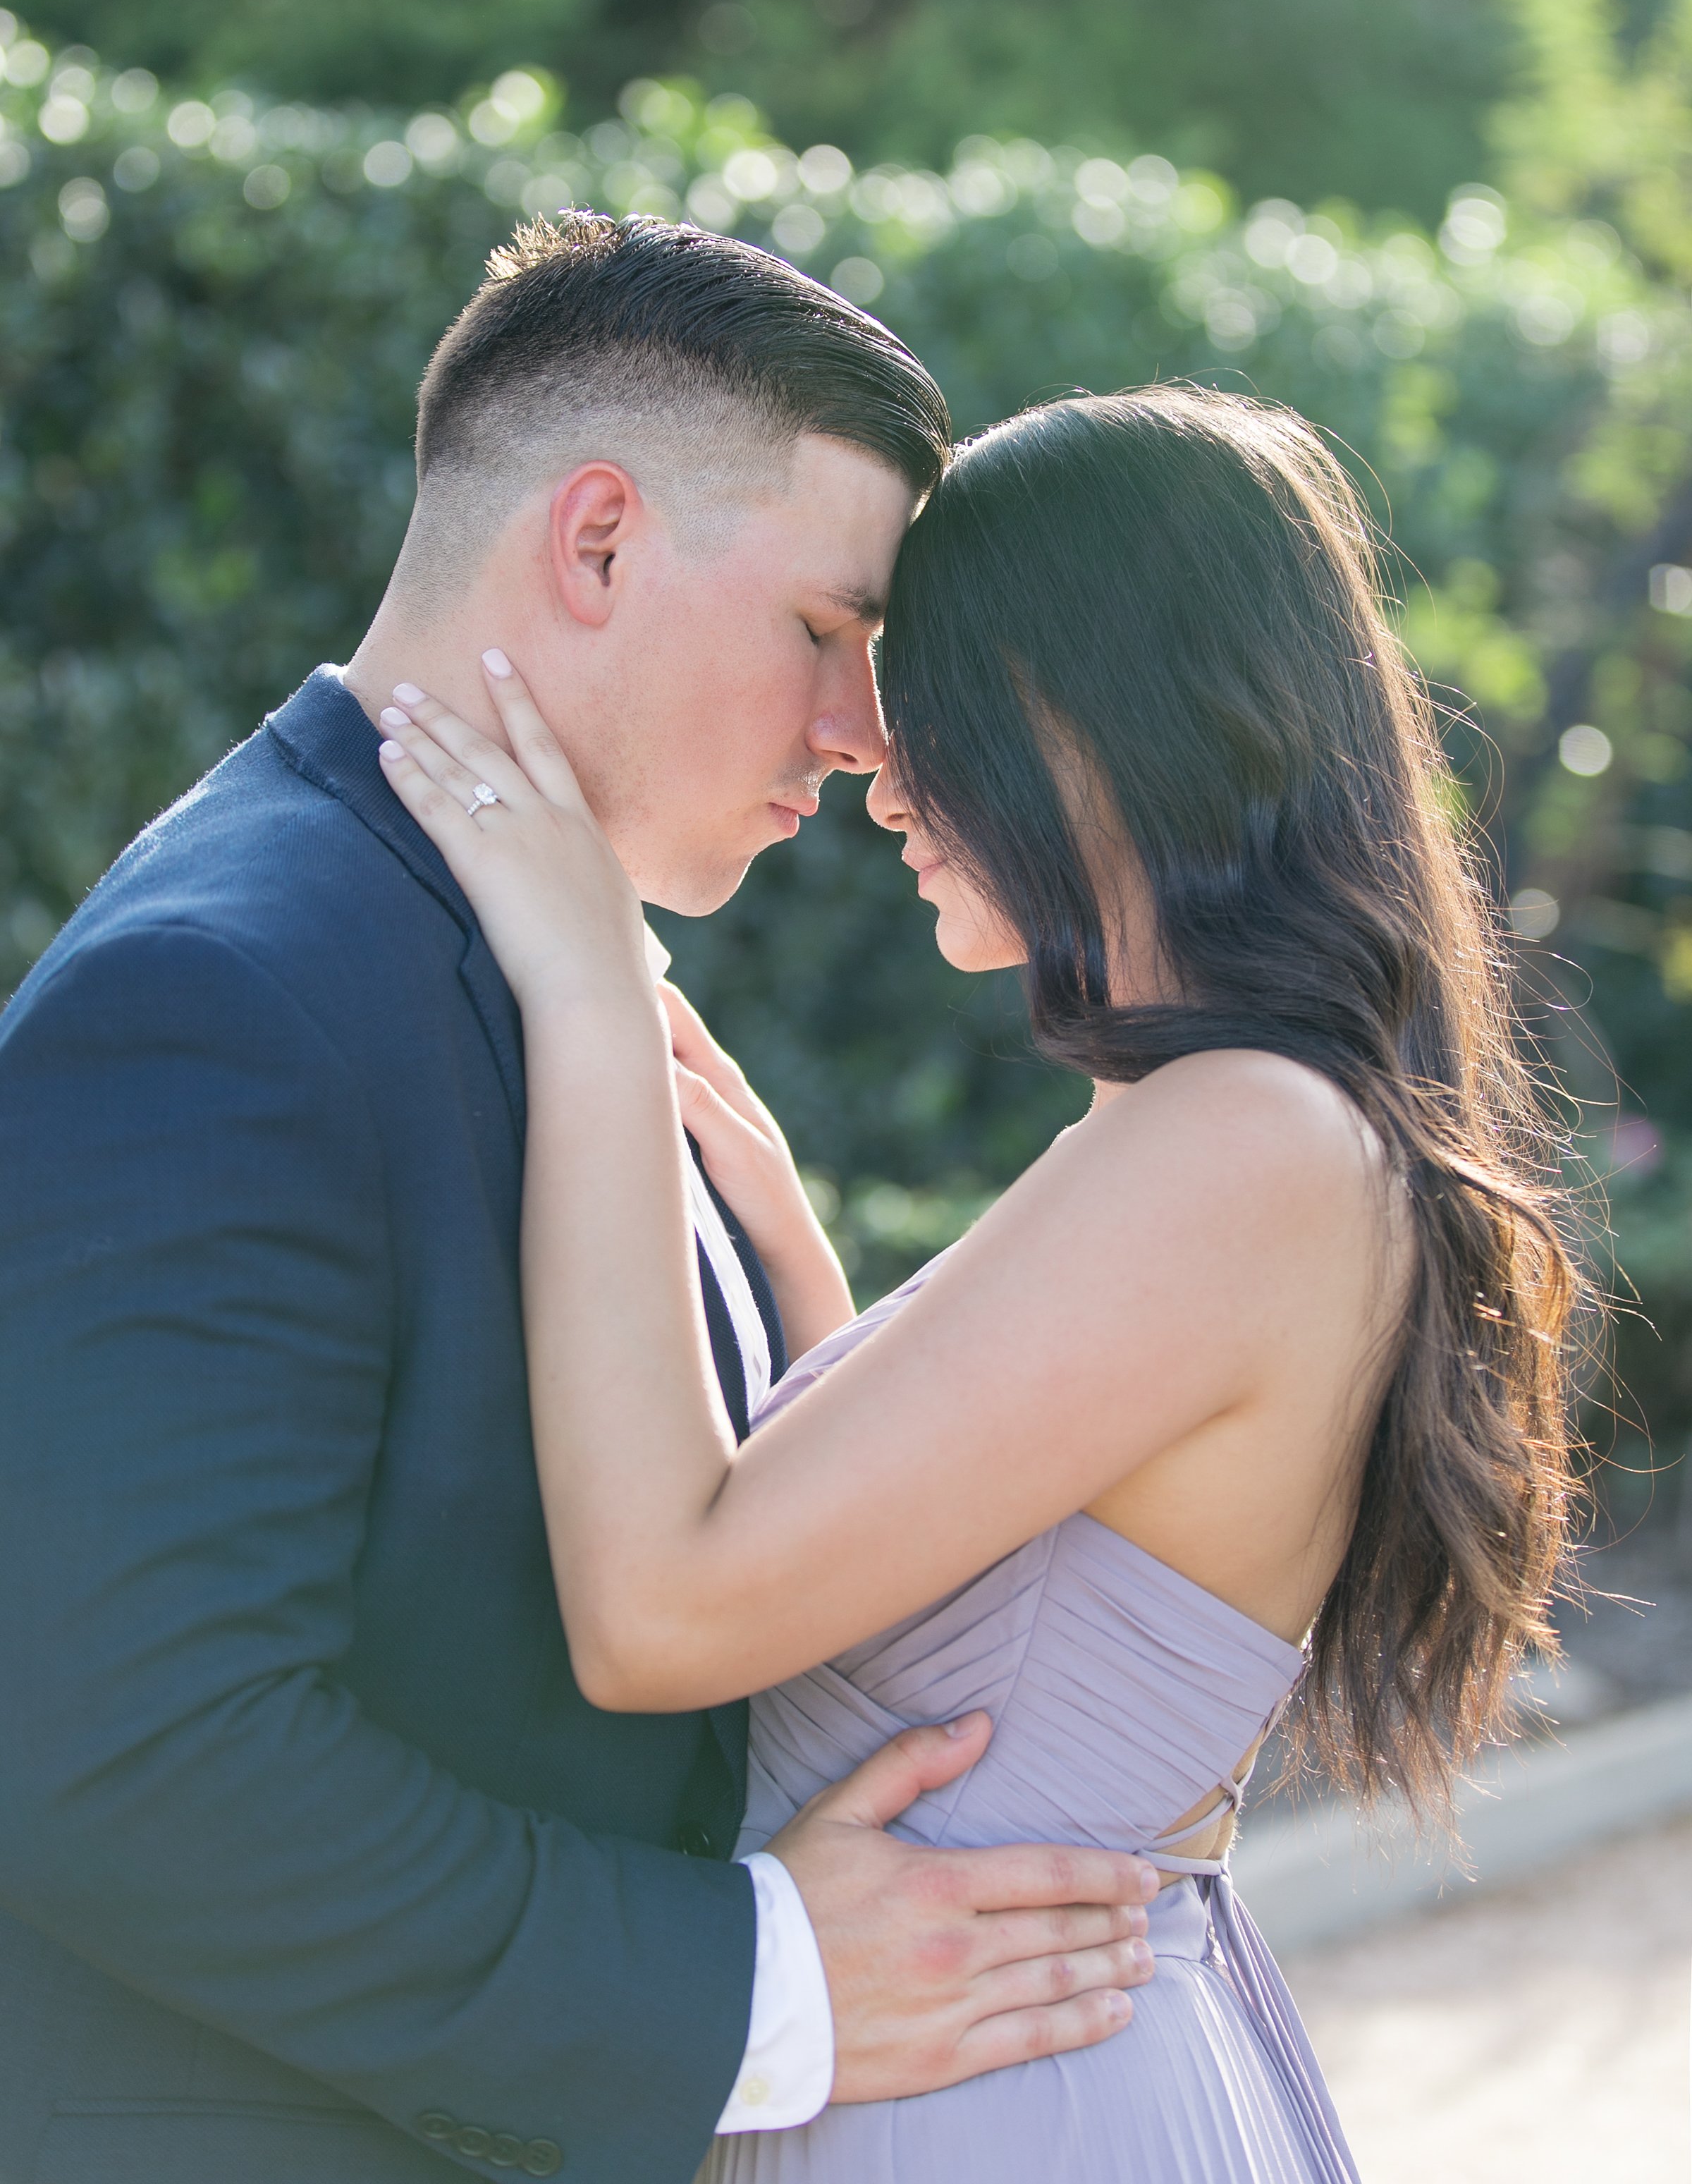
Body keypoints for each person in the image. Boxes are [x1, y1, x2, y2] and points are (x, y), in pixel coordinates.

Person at [0, 218, 1163, 2184]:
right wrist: (751, 1983)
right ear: (600, 539)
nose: (867, 735)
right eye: (827, 632)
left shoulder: (560, 972)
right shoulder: (226, 997)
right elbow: (117, 1751)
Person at [376, 382, 1583, 2183]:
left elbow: (662, 1611)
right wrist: (800, 1278)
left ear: (1105, 716)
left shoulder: (1243, 1147)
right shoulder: (1218, 1124)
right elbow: (1003, 1585)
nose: (874, 762)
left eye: (922, 693)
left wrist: (581, 998)